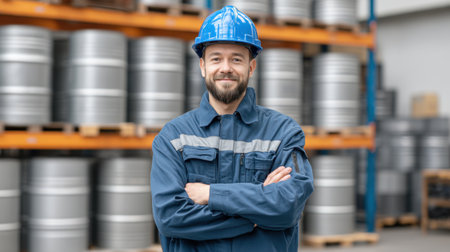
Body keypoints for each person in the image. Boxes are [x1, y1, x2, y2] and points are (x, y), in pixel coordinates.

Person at [151, 5, 314, 252]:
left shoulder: (283, 133)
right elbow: (170, 217)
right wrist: (257, 214)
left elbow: (288, 206)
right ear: (203, 66)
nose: (225, 67)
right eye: (216, 58)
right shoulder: (174, 137)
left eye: (236, 59)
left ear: (251, 67)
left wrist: (210, 194)